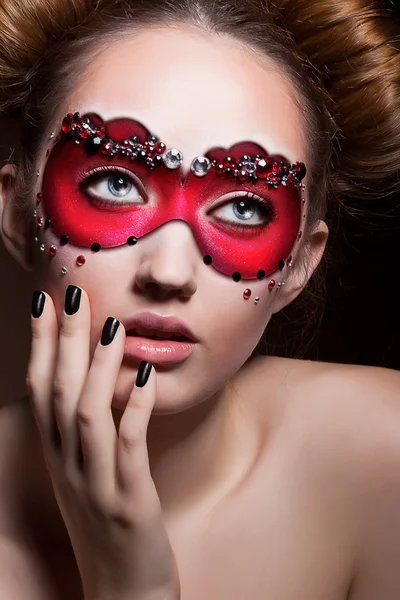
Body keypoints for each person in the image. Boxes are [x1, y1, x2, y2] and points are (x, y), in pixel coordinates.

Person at [0, 0, 400, 598]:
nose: (169, 271)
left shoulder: (383, 455)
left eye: (244, 207)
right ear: (14, 214)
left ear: (299, 263)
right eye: (113, 184)